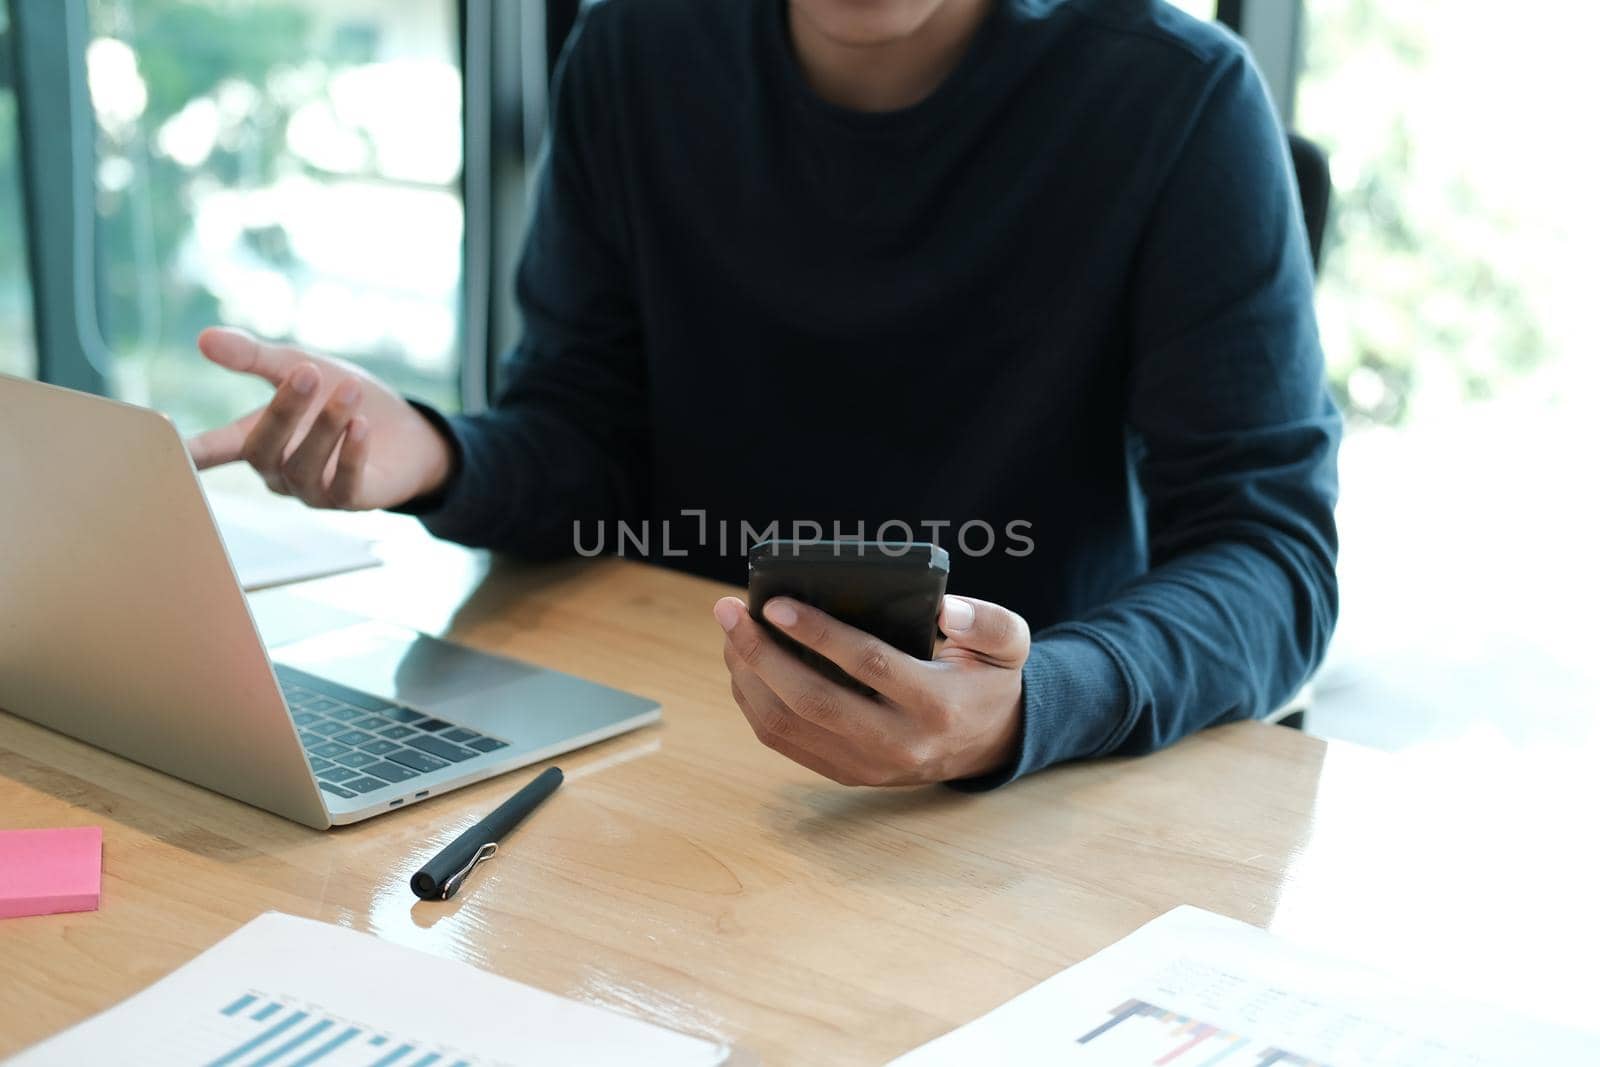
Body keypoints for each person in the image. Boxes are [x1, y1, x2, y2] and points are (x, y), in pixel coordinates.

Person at [187, 0, 1340, 790]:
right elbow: (584, 437)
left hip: (1030, 793)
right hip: (668, 738)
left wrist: (1040, 703)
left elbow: (1272, 553)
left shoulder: (1175, 97)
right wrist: (434, 454)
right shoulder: (633, 53)